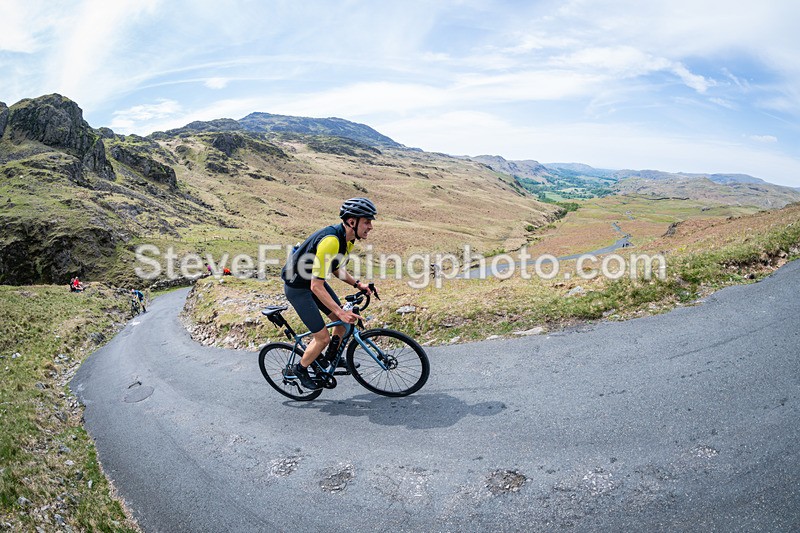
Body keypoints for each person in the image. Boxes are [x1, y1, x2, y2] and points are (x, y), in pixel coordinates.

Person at [281, 197, 376, 390]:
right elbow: (317, 286)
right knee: (323, 337)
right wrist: (340, 312)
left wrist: (358, 284)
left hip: (311, 283)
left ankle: (329, 360)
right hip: (298, 287)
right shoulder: (332, 241)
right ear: (352, 222)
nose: (370, 226)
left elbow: (335, 268)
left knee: (342, 326)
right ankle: (300, 369)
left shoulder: (347, 240)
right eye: (367, 221)